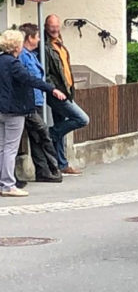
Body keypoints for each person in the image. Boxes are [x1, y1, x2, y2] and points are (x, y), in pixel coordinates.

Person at [0, 30, 67, 197]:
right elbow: (29, 80)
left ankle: (3, 182)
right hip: (14, 110)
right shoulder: (13, 64)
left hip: (1, 109)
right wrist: (52, 89)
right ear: (16, 45)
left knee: (2, 147)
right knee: (10, 148)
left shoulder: (1, 61)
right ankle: (7, 185)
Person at [44, 14, 89, 176]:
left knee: (62, 127)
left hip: (66, 92)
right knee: (82, 119)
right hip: (58, 93)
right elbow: (46, 73)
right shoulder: (45, 47)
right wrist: (54, 90)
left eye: (56, 26)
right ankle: (50, 133)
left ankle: (61, 164)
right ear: (46, 27)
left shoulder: (59, 44)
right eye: (51, 26)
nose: (55, 29)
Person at [18, 23, 62, 183]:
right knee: (41, 134)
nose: (38, 40)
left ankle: (44, 171)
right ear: (29, 38)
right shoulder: (22, 55)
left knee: (37, 137)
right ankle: (49, 170)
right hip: (28, 101)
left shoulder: (30, 54)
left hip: (36, 99)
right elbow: (28, 78)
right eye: (36, 37)